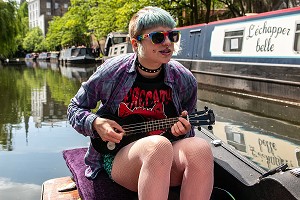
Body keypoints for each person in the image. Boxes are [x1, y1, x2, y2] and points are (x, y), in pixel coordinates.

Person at [67, 6, 214, 200]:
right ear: (135, 44)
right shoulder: (112, 72)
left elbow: (187, 125)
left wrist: (183, 129)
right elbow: (74, 108)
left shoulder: (184, 79)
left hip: (168, 156)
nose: (168, 43)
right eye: (158, 37)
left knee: (200, 148)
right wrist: (96, 122)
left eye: (173, 36)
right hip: (120, 158)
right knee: (157, 146)